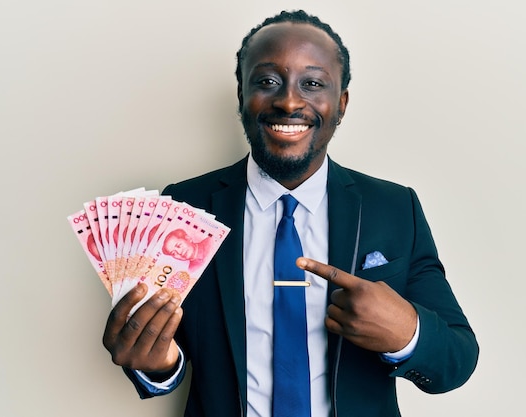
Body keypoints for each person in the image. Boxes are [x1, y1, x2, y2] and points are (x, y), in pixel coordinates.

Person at [102, 9, 479, 417]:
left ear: (342, 102)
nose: (289, 101)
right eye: (267, 82)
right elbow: (167, 356)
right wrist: (156, 365)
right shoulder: (185, 207)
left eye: (313, 83)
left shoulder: (394, 208)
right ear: (242, 96)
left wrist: (406, 332)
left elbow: (455, 362)